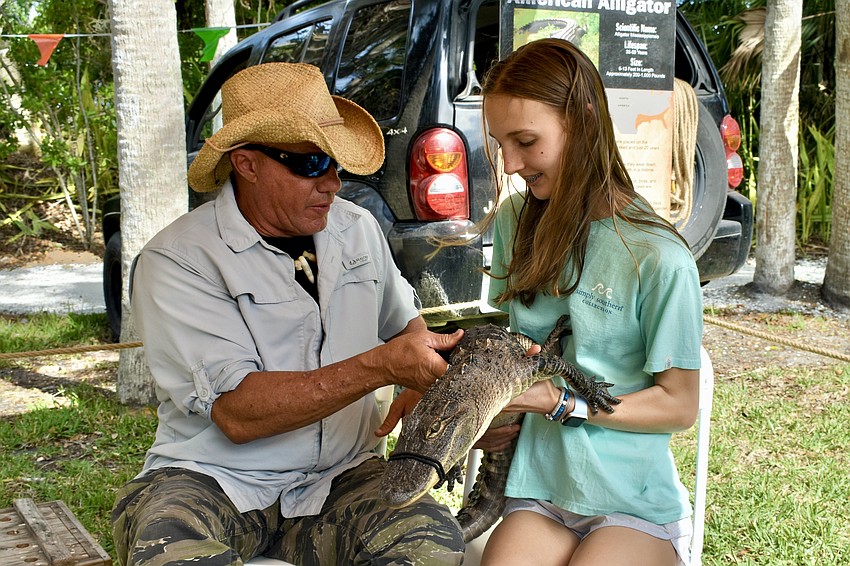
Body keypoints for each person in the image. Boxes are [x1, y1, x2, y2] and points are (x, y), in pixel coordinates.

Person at [111, 62, 466, 565]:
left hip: (343, 477)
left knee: (431, 546)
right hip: (213, 479)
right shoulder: (178, 260)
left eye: (336, 165)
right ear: (247, 164)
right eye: (312, 164)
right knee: (168, 551)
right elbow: (237, 413)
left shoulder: (357, 229)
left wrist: (413, 372)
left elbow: (406, 325)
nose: (333, 184)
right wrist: (384, 365)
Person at [473, 39, 703, 566]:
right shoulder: (517, 221)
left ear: (582, 121)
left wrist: (558, 402)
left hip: (633, 500)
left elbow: (679, 405)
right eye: (501, 143)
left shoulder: (658, 256)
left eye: (526, 141)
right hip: (541, 486)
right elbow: (511, 349)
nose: (510, 164)